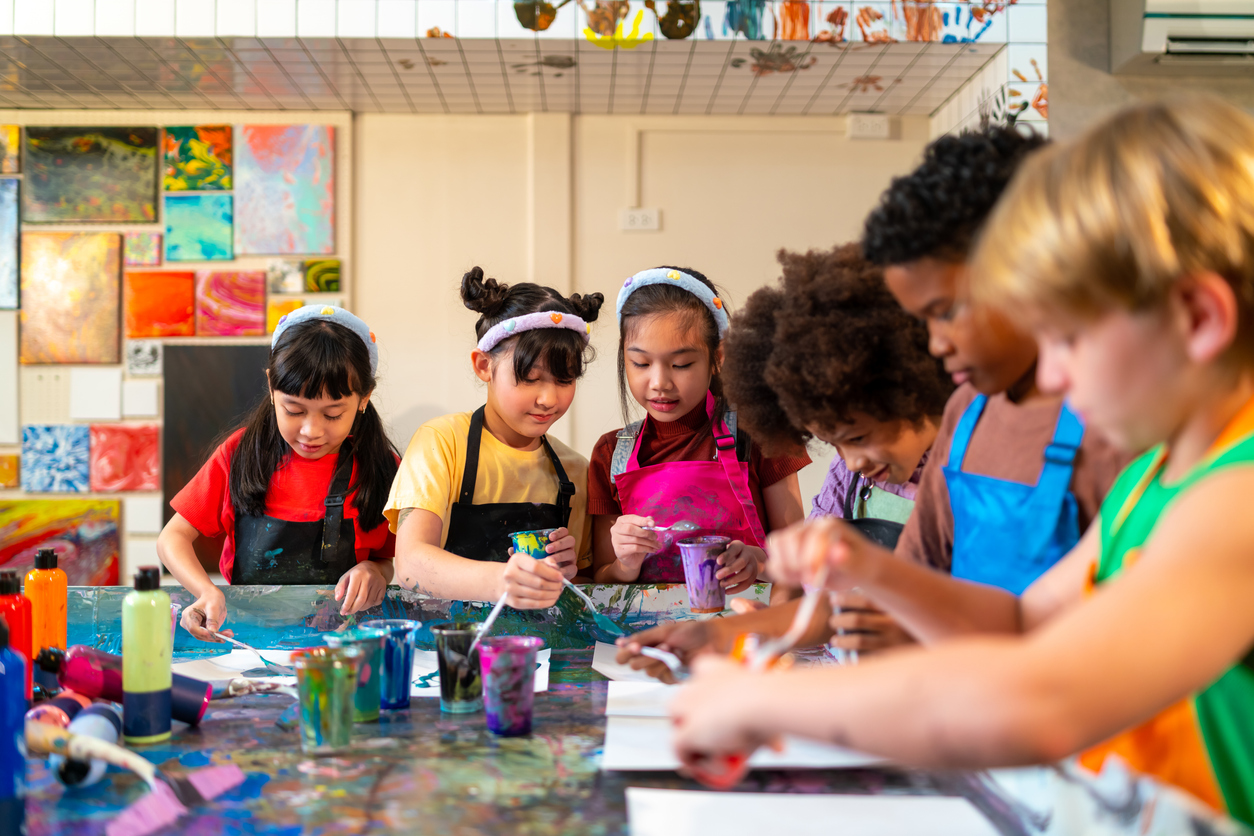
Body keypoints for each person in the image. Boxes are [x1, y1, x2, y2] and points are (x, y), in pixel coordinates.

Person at [670, 98, 1254, 829]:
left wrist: (759, 701)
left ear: (1198, 319)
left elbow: (1041, 697)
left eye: (1069, 338)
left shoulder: (1239, 499)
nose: (1058, 379)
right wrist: (870, 569)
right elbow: (1015, 625)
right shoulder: (1154, 479)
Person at [863, 125, 1127, 594]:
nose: (936, 345)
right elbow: (918, 575)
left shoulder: (1120, 424)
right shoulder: (966, 412)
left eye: (946, 313)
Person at [160, 305, 400, 641]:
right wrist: (205, 591)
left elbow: (390, 557)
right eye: (294, 410)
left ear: (363, 399)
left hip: (344, 643)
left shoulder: (381, 467)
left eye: (332, 415)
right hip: (246, 640)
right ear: (272, 387)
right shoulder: (240, 454)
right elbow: (172, 538)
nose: (310, 431)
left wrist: (376, 570)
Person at [386, 268, 602, 609]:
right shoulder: (442, 443)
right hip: (448, 642)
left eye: (564, 380)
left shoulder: (575, 471)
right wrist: (504, 581)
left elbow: (585, 586)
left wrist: (564, 574)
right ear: (484, 365)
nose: (548, 398)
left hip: (539, 652)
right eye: (531, 378)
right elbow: (412, 564)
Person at [588, 266, 809, 590]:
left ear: (716, 357)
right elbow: (602, 581)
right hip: (651, 637)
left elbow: (801, 564)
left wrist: (759, 562)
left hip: (745, 632)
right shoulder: (610, 453)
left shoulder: (760, 432)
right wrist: (625, 564)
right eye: (641, 363)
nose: (660, 383)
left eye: (681, 364)